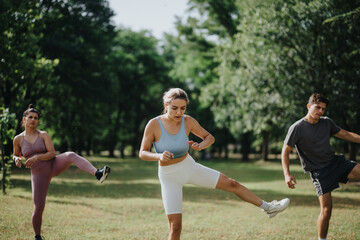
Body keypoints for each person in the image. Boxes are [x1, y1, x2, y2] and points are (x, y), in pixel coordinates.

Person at [139, 88, 290, 240]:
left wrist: (200, 146)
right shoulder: (154, 124)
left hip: (189, 167)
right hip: (169, 177)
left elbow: (209, 138)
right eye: (174, 108)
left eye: (182, 108)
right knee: (175, 227)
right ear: (166, 105)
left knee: (232, 184)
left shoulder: (188, 121)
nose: (179, 112)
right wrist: (159, 156)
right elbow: (143, 152)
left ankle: (269, 208)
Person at [12, 104, 111, 240]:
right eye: (30, 117)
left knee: (70, 155)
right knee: (39, 206)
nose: (33, 120)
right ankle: (37, 236)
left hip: (53, 165)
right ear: (24, 120)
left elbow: (52, 153)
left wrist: (37, 157)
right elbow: (16, 154)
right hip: (38, 174)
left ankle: (97, 173)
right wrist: (17, 159)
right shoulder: (18, 139)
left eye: (36, 118)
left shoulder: (43, 135)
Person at [281, 93, 360, 240]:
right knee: (326, 210)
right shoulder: (297, 127)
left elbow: (346, 135)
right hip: (320, 172)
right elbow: (285, 151)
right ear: (309, 106)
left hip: (335, 163)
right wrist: (287, 174)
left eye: (323, 109)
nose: (321, 111)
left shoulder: (326, 122)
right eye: (318, 107)